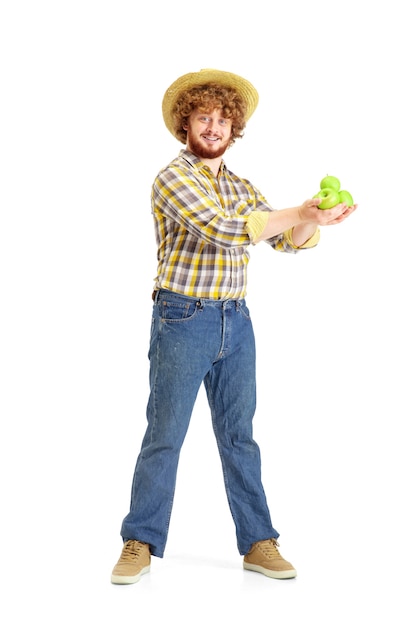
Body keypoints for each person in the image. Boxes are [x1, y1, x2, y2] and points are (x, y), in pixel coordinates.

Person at [111, 68, 357, 585]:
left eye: (223, 118)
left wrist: (314, 218)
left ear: (234, 127)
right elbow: (224, 231)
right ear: (186, 125)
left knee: (240, 437)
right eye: (204, 117)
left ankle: (258, 542)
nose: (214, 126)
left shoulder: (242, 186)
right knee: (165, 435)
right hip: (183, 318)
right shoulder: (172, 178)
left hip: (236, 320)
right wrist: (298, 210)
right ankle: (139, 541)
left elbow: (286, 240)